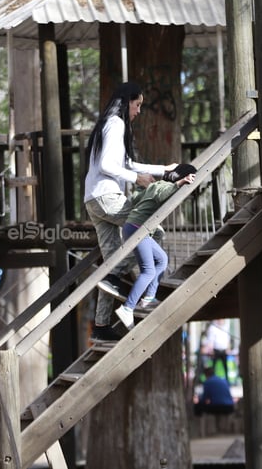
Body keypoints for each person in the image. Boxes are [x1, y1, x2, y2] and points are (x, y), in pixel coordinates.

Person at [83, 81, 177, 342]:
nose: (138, 111)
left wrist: (162, 169)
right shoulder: (116, 123)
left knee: (110, 263)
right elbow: (107, 165)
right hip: (107, 197)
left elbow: (127, 163)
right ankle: (115, 275)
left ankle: (101, 326)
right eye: (137, 105)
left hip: (93, 199)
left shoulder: (107, 124)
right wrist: (136, 180)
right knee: (153, 232)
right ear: (127, 102)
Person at [114, 164, 197, 330]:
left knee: (162, 259)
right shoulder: (165, 187)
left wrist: (141, 187)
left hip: (135, 227)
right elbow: (163, 195)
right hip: (138, 229)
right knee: (149, 270)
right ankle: (127, 307)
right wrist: (179, 183)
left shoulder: (155, 185)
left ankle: (149, 297)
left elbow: (136, 198)